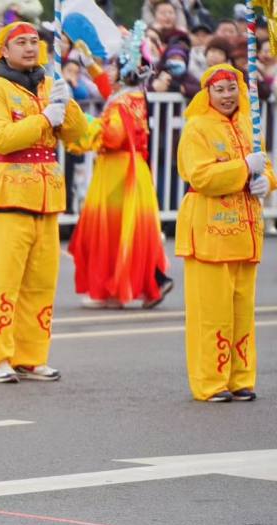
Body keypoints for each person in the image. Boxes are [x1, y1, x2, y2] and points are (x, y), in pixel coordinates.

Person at [0, 21, 87, 383]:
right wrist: (43, 119)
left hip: (46, 197)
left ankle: (32, 356)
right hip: (9, 194)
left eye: (34, 42)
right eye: (21, 42)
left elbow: (78, 135)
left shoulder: (48, 84)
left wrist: (67, 103)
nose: (29, 48)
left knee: (40, 283)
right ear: (4, 51)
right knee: (3, 283)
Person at [176, 64, 273, 402]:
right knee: (211, 314)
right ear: (207, 94)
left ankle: (240, 378)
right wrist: (244, 168)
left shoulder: (248, 123)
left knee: (242, 313)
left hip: (246, 233)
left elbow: (266, 167)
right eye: (219, 90)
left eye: (232, 88)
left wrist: (266, 181)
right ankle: (210, 383)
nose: (227, 95)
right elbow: (200, 176)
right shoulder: (196, 128)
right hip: (209, 231)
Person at [69, 29, 173, 310]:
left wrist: (87, 125)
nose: (108, 70)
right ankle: (152, 281)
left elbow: (112, 137)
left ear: (125, 71)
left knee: (112, 231)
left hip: (119, 172)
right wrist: (90, 64)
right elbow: (107, 89)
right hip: (132, 168)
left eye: (114, 66)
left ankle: (114, 290)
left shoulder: (122, 103)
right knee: (132, 229)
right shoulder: (133, 96)